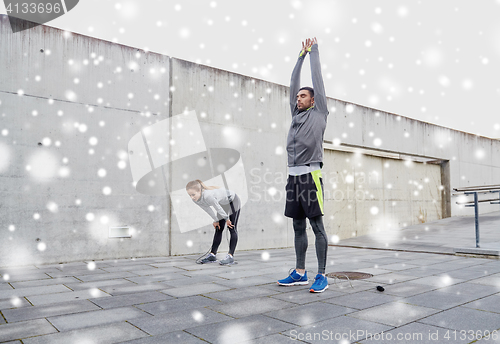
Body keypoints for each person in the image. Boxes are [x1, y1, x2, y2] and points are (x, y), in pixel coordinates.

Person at [277, 37, 329, 293]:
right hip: (293, 178)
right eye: (297, 96)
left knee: (316, 226)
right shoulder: (295, 115)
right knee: (297, 225)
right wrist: (299, 57)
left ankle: (322, 275)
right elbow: (291, 85)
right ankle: (299, 272)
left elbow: (316, 79)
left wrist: (313, 52)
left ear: (313, 100)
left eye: (303, 96)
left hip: (311, 175)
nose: (298, 98)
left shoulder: (319, 113)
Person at [186, 179, 240, 265]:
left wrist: (227, 219)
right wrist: (216, 220)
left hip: (233, 201)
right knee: (219, 228)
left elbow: (217, 208)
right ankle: (212, 255)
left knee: (231, 227)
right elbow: (208, 209)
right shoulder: (196, 200)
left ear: (199, 191)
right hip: (222, 204)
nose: (192, 197)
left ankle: (230, 256)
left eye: (193, 194)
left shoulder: (208, 195)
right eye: (190, 195)